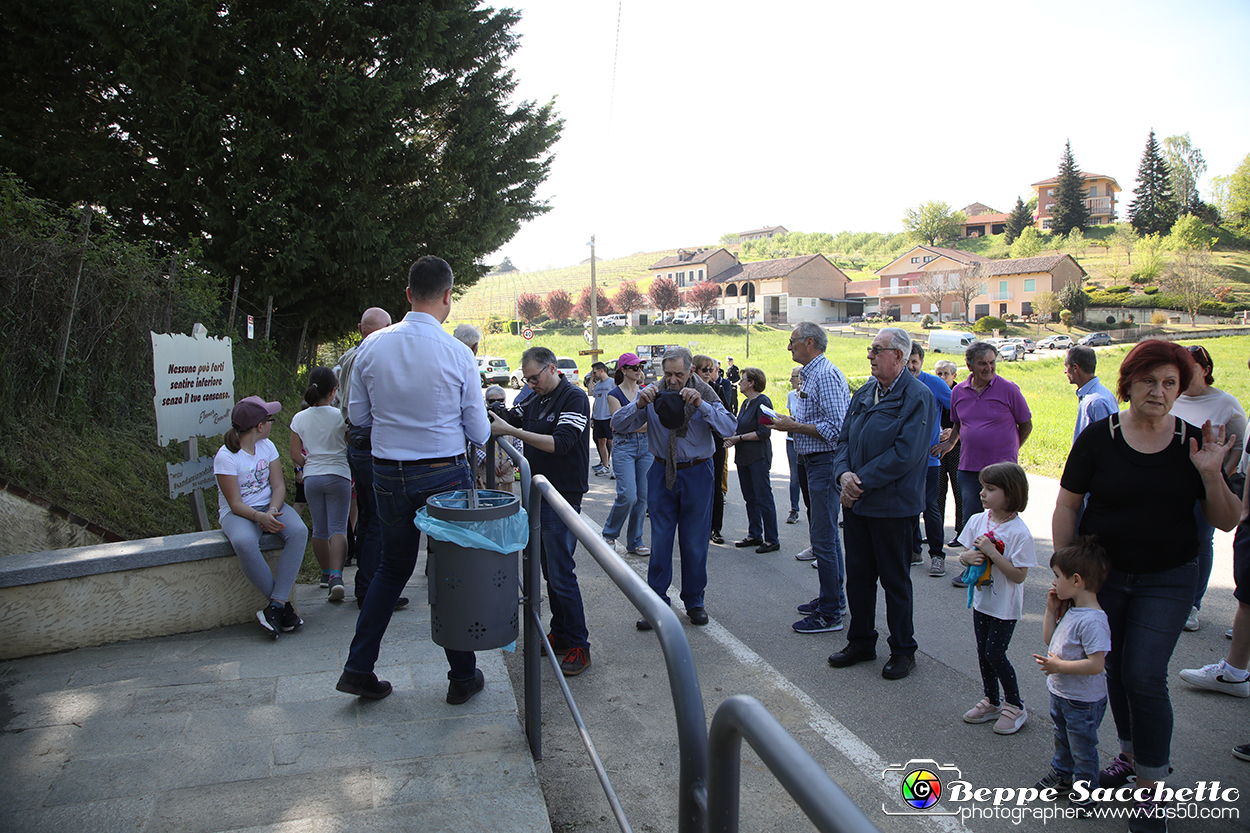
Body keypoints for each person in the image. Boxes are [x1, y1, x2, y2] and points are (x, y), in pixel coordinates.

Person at [1052, 339, 1240, 828]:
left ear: (1181, 389)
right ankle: (1132, 756)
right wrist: (1066, 573)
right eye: (1149, 380)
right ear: (1129, 382)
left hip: (1170, 578)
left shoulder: (1196, 441)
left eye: (1170, 383)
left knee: (1144, 676)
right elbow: (1067, 504)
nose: (1159, 391)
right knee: (1112, 669)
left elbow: (1226, 521)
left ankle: (1150, 787)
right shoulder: (1099, 437)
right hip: (1104, 577)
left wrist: (1212, 474)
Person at [337, 255, 490, 705]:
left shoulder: (372, 347)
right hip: (444, 471)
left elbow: (358, 416)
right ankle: (462, 675)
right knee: (451, 572)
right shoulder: (458, 353)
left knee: (391, 568)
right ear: (448, 296)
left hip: (387, 473)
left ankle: (358, 666)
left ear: (407, 294)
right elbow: (479, 431)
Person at [826, 327, 933, 680]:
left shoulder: (917, 396)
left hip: (892, 507)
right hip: (856, 504)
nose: (870, 356)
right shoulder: (864, 393)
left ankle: (903, 649)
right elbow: (843, 440)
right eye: (870, 350)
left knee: (895, 581)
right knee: (858, 579)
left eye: (876, 350)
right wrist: (843, 475)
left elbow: (906, 454)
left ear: (899, 356)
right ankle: (861, 642)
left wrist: (860, 481)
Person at [612, 347, 737, 629]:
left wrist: (702, 406)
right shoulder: (653, 393)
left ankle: (694, 601)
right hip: (660, 471)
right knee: (661, 540)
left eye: (679, 374)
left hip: (697, 472)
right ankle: (656, 603)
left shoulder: (706, 393)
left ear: (691, 371)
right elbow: (617, 424)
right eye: (668, 374)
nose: (672, 380)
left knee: (694, 542)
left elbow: (730, 428)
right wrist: (638, 405)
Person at [491, 346, 593, 676]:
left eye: (534, 378)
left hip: (562, 494)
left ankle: (580, 644)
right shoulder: (534, 397)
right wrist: (496, 415)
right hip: (538, 494)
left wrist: (512, 433)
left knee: (562, 571)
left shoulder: (573, 397)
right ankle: (561, 633)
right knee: (549, 570)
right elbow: (515, 415)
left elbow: (561, 444)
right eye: (526, 379)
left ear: (551, 369)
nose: (530, 384)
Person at [774, 322, 852, 632]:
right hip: (813, 462)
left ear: (809, 342)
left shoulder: (825, 374)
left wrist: (792, 427)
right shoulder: (812, 373)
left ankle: (831, 612)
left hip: (825, 462)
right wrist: (791, 422)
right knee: (826, 536)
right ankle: (833, 598)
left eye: (792, 341)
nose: (789, 347)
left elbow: (836, 430)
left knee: (824, 537)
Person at [937, 341, 1032, 586]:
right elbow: (957, 423)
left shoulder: (1009, 389)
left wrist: (1012, 449)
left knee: (1003, 518)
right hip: (970, 466)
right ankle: (975, 570)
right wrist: (950, 444)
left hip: (1002, 470)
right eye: (983, 363)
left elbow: (1026, 423)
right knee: (973, 519)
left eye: (992, 362)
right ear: (970, 366)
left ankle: (1004, 565)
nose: (989, 367)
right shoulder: (959, 392)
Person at [214, 396, 309, 638]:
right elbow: (234, 504)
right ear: (259, 426)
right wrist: (259, 517)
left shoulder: (267, 446)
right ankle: (282, 608)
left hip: (270, 506)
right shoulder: (226, 456)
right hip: (239, 513)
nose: (271, 424)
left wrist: (271, 512)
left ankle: (275, 606)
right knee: (245, 542)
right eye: (270, 420)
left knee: (298, 532)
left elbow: (278, 487)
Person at [1169, 344, 1247, 633]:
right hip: (1171, 483)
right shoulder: (1173, 398)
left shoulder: (1225, 403)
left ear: (1206, 369)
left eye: (1191, 367)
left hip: (1206, 485)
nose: (1185, 373)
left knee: (1201, 541)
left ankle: (1192, 605)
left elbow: (1239, 443)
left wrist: (1220, 474)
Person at [1032, 537, 1112, 813]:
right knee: (1063, 738)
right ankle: (1063, 774)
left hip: (1083, 700)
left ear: (1076, 580)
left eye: (1057, 576)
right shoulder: (1073, 611)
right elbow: (1049, 640)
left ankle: (1086, 790)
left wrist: (1060, 667)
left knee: (1083, 747)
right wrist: (1051, 610)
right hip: (1062, 693)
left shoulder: (1093, 621)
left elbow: (1096, 664)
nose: (1053, 581)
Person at [956, 462, 1036, 734]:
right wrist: (966, 557)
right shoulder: (979, 520)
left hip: (1005, 606)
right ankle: (991, 700)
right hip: (983, 601)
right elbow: (965, 554)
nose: (982, 493)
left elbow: (1019, 576)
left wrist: (992, 552)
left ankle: (1015, 705)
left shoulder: (1019, 533)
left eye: (990, 489)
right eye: (982, 487)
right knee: (983, 653)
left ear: (1010, 494)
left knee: (995, 653)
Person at [337, 307, 396, 609]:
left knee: (367, 516)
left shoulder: (348, 356)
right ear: (385, 328)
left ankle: (366, 584)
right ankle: (372, 591)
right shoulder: (374, 357)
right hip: (371, 440)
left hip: (354, 441)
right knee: (377, 518)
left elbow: (340, 401)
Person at [289, 367, 351, 602]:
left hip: (312, 478)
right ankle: (337, 575)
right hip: (338, 475)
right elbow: (349, 447)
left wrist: (310, 464)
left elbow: (295, 453)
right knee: (338, 528)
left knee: (319, 529)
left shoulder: (299, 418)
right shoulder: (340, 417)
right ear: (334, 391)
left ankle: (324, 574)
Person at [907, 342, 953, 576]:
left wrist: (950, 440)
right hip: (904, 460)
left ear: (921, 362)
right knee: (908, 506)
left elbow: (961, 411)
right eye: (907, 361)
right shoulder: (896, 385)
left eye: (915, 361)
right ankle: (914, 551)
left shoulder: (934, 383)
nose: (911, 366)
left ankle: (937, 555)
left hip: (930, 460)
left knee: (930, 507)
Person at [723, 367, 779, 553]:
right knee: (750, 497)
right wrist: (732, 437)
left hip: (758, 456)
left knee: (763, 497)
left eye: (743, 379)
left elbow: (764, 432)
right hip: (743, 456)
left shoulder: (763, 402)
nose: (739, 382)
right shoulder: (746, 403)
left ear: (751, 383)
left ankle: (772, 539)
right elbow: (740, 428)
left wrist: (738, 438)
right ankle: (755, 533)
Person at [601, 353, 650, 557]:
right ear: (623, 370)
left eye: (640, 367)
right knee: (627, 495)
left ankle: (635, 541)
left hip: (646, 447)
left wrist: (633, 425)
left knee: (643, 497)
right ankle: (609, 534)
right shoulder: (614, 394)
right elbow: (618, 424)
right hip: (623, 447)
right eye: (634, 367)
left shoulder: (646, 392)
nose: (639, 371)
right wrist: (640, 426)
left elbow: (651, 424)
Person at [695, 355, 732, 545]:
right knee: (697, 487)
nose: (709, 374)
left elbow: (726, 417)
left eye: (711, 370)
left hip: (716, 442)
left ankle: (715, 528)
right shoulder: (686, 391)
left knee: (716, 486)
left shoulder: (717, 389)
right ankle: (697, 526)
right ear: (694, 371)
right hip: (695, 443)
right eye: (705, 370)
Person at [934, 360, 964, 548]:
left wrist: (952, 432)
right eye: (939, 374)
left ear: (954, 375)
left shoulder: (960, 393)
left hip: (956, 447)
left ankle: (961, 531)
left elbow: (966, 418)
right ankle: (935, 531)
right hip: (937, 447)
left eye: (946, 374)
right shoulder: (933, 391)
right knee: (938, 492)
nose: (942, 377)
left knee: (959, 490)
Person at [1065, 345, 1118, 443]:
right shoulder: (1090, 395)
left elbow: (1105, 443)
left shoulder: (1097, 402)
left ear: (1075, 368)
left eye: (1066, 366)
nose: (1065, 372)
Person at [482, 385, 522, 494]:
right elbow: (472, 447)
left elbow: (518, 447)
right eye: (492, 401)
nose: (496, 404)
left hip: (506, 478)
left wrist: (509, 463)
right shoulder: (481, 422)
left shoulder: (511, 422)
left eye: (500, 401)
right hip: (486, 479)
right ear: (487, 402)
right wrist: (487, 460)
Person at [785, 367, 807, 528]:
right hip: (791, 440)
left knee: (807, 476)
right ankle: (794, 509)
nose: (790, 379)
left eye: (793, 376)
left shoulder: (806, 395)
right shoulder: (791, 395)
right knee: (794, 477)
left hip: (806, 440)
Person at [589, 362, 614, 477]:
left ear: (601, 370)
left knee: (611, 442)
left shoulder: (612, 383)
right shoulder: (597, 385)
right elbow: (594, 399)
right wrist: (592, 417)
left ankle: (615, 467)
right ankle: (606, 466)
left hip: (608, 416)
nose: (593, 375)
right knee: (601, 441)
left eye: (594, 372)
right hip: (598, 417)